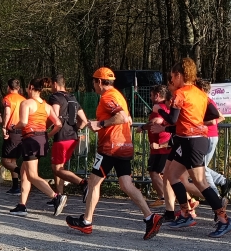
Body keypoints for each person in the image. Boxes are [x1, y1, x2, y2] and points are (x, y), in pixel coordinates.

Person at [66, 68, 162, 239]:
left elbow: (122, 117)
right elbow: (128, 118)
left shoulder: (108, 96)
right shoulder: (118, 95)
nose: (93, 86)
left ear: (100, 82)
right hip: (124, 146)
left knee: (94, 182)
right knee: (126, 185)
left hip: (110, 148)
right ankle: (150, 217)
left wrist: (101, 124)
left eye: (94, 82)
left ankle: (86, 222)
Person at [156, 59, 231, 236]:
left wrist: (159, 110)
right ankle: (186, 213)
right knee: (172, 175)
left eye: (172, 77)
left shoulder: (181, 94)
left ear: (178, 75)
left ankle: (224, 219)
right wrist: (197, 121)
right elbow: (214, 114)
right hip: (190, 139)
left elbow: (172, 120)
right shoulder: (200, 94)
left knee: (200, 182)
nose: (171, 80)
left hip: (192, 141)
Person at [9, 78, 65, 216]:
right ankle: (22, 205)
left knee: (32, 175)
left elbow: (23, 122)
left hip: (30, 139)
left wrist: (13, 127)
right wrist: (48, 135)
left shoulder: (26, 103)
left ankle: (56, 197)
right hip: (41, 140)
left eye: (27, 87)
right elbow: (58, 124)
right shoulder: (47, 106)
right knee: (24, 172)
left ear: (31, 87)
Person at [47, 75, 87, 198]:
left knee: (56, 169)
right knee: (60, 166)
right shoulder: (73, 98)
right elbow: (84, 121)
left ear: (55, 84)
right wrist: (76, 128)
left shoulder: (55, 97)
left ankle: (83, 183)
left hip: (61, 136)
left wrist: (45, 131)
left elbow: (54, 116)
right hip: (73, 137)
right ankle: (59, 195)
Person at [197, 79, 231, 198]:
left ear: (201, 90)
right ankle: (222, 181)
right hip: (209, 136)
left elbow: (218, 118)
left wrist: (199, 123)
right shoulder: (207, 100)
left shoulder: (206, 101)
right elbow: (220, 117)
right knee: (202, 166)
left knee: (202, 167)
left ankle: (215, 195)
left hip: (209, 136)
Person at [144, 85, 173, 205]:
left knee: (155, 173)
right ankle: (164, 197)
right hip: (160, 146)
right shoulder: (164, 107)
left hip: (161, 147)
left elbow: (156, 121)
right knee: (160, 174)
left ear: (157, 95)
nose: (150, 97)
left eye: (151, 95)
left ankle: (166, 198)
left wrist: (142, 126)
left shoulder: (159, 107)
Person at [1, 79, 26, 194]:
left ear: (8, 87)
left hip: (12, 130)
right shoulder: (24, 100)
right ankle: (15, 186)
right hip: (22, 131)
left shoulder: (8, 98)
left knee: (5, 161)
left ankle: (22, 172)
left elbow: (7, 112)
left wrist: (5, 127)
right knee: (13, 160)